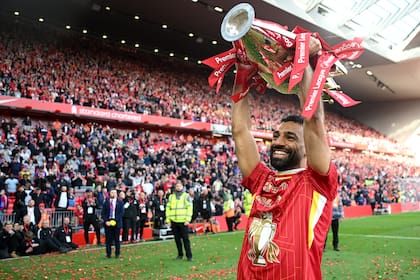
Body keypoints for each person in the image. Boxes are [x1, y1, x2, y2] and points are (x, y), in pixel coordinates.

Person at [232, 41, 338, 279]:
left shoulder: (316, 182)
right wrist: (242, 73)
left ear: (307, 148)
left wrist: (304, 62)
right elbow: (240, 131)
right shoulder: (261, 180)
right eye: (276, 136)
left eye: (290, 137)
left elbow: (314, 120)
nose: (279, 142)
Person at [166, 181, 193, 261]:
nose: (178, 187)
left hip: (183, 221)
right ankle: (180, 254)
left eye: (179, 186)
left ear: (182, 187)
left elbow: (190, 208)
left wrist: (188, 219)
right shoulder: (171, 197)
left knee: (185, 239)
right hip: (174, 221)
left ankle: (189, 256)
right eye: (177, 186)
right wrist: (168, 220)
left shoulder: (186, 196)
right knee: (177, 239)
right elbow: (168, 209)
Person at [101, 189, 124, 258]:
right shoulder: (106, 203)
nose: (113, 194)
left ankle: (117, 254)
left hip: (117, 222)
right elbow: (103, 213)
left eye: (114, 192)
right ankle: (108, 254)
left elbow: (121, 213)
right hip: (108, 222)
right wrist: (106, 221)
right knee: (108, 240)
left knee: (117, 239)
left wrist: (115, 221)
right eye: (112, 192)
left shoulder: (120, 202)